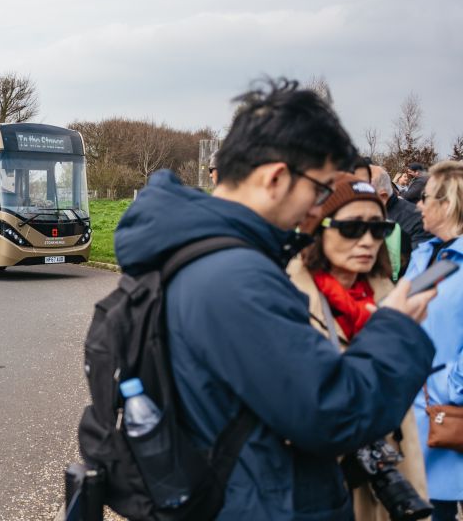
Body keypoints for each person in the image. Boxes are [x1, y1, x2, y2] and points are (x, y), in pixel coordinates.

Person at [114, 79, 436, 520]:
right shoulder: (236, 277)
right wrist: (395, 327)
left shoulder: (201, 253)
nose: (318, 207)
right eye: (321, 190)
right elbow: (332, 415)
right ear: (277, 177)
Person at [287, 173, 428, 520]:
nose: (367, 240)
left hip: (392, 487)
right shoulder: (285, 299)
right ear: (318, 227)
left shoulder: (388, 298)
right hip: (321, 493)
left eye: (378, 228)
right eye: (351, 228)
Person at [409, 160, 463, 521]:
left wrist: (445, 386)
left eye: (425, 197)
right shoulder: (423, 255)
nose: (418, 205)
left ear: (447, 203)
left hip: (450, 416)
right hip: (414, 424)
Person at [370, 164, 432, 280]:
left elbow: (419, 269)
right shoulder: (365, 215)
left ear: (382, 196)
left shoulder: (416, 219)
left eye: (365, 196)